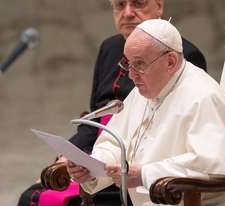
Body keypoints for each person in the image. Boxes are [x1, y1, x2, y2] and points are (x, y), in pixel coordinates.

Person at [17, 0, 206, 205]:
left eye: (138, 3)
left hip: (138, 171)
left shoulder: (182, 56)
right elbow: (96, 116)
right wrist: (70, 157)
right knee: (33, 196)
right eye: (119, 5)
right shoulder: (110, 47)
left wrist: (133, 171)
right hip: (104, 154)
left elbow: (165, 136)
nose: (127, 13)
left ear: (159, 5)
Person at [67, 19, 225, 206]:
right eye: (128, 64)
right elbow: (116, 142)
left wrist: (144, 174)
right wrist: (92, 167)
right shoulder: (142, 91)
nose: (131, 74)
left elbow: (213, 164)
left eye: (139, 64)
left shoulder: (202, 96)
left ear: (170, 61)